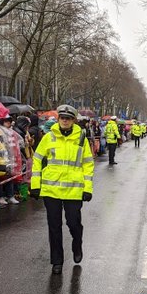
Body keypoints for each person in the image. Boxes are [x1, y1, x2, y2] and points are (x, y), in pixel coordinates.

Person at [30, 104, 94, 274]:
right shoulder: (48, 137)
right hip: (51, 190)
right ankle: (57, 261)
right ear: (58, 119)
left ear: (73, 120)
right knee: (54, 226)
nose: (65, 121)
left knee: (73, 223)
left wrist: (88, 188)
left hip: (74, 190)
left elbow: (88, 164)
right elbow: (37, 160)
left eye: (68, 118)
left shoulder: (81, 138)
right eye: (62, 118)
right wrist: (35, 184)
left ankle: (77, 243)